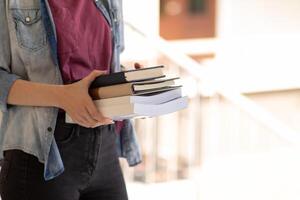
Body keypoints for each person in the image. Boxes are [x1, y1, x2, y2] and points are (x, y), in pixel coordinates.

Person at [0, 0, 142, 199]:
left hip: (105, 147)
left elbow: (94, 64)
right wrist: (63, 96)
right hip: (43, 153)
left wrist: (127, 82)